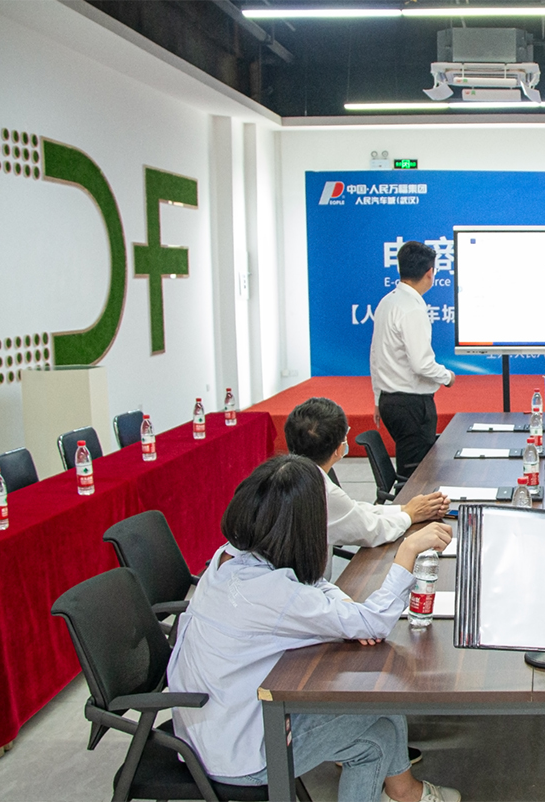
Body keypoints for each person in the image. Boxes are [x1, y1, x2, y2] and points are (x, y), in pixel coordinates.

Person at [167, 455, 461, 802]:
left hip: (214, 719)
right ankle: (405, 793)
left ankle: (404, 793)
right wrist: (408, 550)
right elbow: (374, 623)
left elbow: (311, 584)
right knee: (375, 731)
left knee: (378, 704)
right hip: (240, 750)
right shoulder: (273, 593)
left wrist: (345, 610)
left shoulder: (230, 556)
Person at [284, 397, 450, 579]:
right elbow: (372, 531)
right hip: (303, 588)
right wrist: (410, 515)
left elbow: (352, 509)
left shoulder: (289, 474)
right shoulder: (320, 491)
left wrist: (404, 509)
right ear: (339, 449)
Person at [371, 240, 455, 474]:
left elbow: (375, 355)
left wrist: (378, 397)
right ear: (430, 272)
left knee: (412, 469)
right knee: (417, 477)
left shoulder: (387, 302)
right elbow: (421, 364)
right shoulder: (412, 309)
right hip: (411, 405)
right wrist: (447, 377)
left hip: (390, 400)